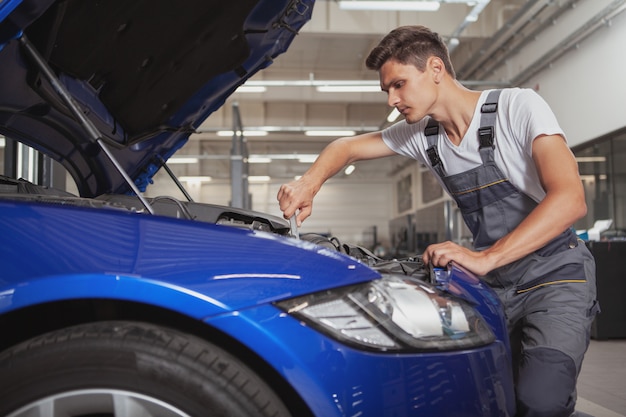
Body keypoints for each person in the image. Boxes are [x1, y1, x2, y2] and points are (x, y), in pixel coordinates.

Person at [277, 25, 598, 417]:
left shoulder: (518, 108)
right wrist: (309, 183)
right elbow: (346, 148)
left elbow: (570, 199)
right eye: (387, 91)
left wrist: (485, 257)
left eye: (399, 85)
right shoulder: (423, 135)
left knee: (541, 400)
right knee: (487, 397)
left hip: (556, 276)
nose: (393, 100)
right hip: (496, 285)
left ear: (434, 69)